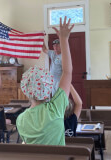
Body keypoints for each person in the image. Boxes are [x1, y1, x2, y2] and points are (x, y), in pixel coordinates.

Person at [16, 17, 74, 145]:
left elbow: (26, 143)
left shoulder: (21, 119)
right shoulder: (56, 109)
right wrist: (64, 39)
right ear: (48, 90)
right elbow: (68, 71)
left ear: (26, 91)